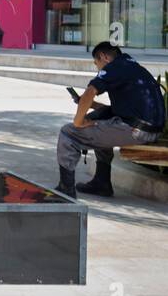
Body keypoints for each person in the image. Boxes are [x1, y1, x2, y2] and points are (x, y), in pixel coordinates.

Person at [55, 41, 164, 197]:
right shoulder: (132, 66)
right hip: (151, 129)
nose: (97, 68)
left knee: (68, 132)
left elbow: (90, 91)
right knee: (101, 119)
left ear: (103, 57)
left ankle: (66, 189)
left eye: (96, 63)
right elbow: (120, 109)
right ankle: (102, 182)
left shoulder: (114, 67)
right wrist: (90, 105)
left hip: (137, 131)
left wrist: (79, 122)